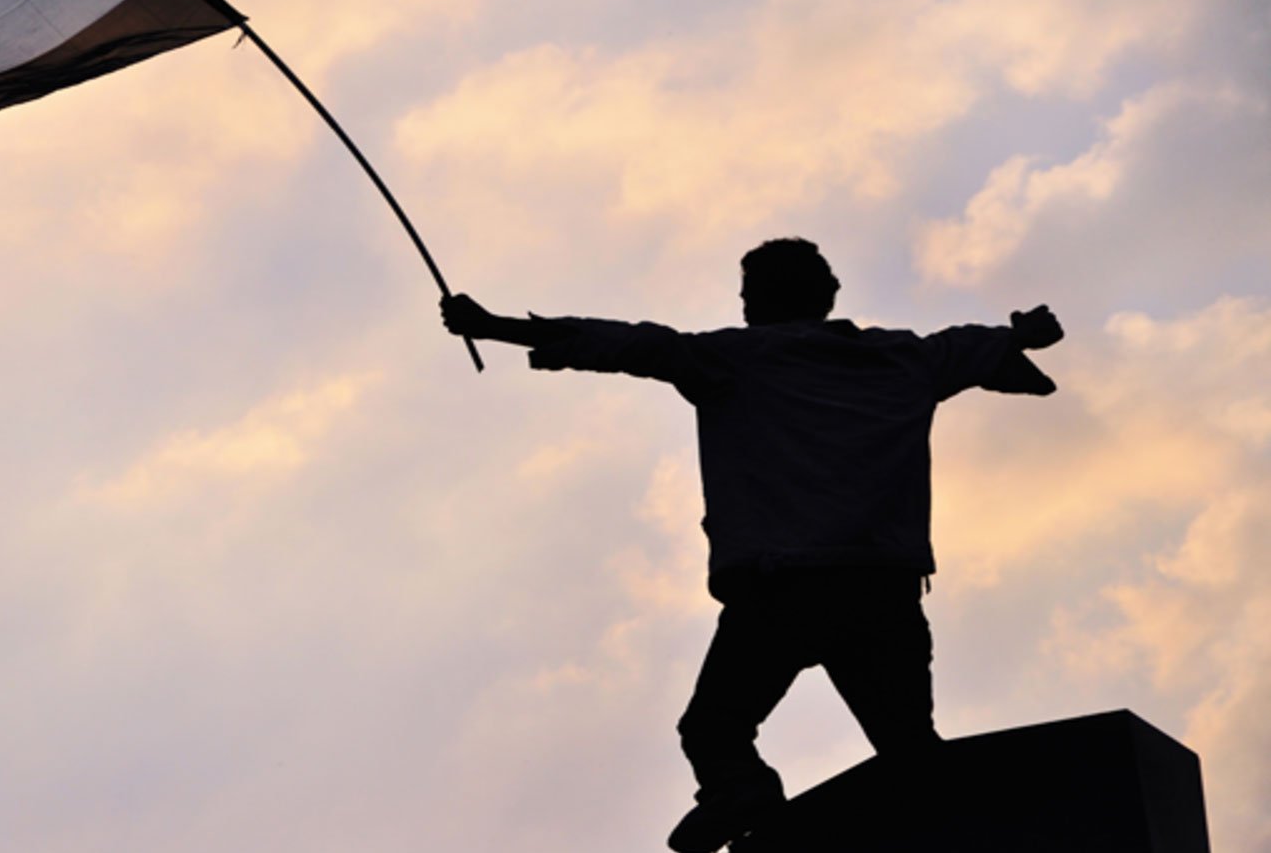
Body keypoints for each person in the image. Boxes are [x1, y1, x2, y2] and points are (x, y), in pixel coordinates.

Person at [439, 238, 1063, 853]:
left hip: (781, 590)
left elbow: (629, 342)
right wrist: (1022, 335)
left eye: (746, 293)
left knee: (715, 730)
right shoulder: (907, 357)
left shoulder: (732, 359)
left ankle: (742, 790)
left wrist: (495, 327)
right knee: (909, 748)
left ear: (757, 300)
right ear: (829, 294)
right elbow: (990, 346)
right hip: (880, 587)